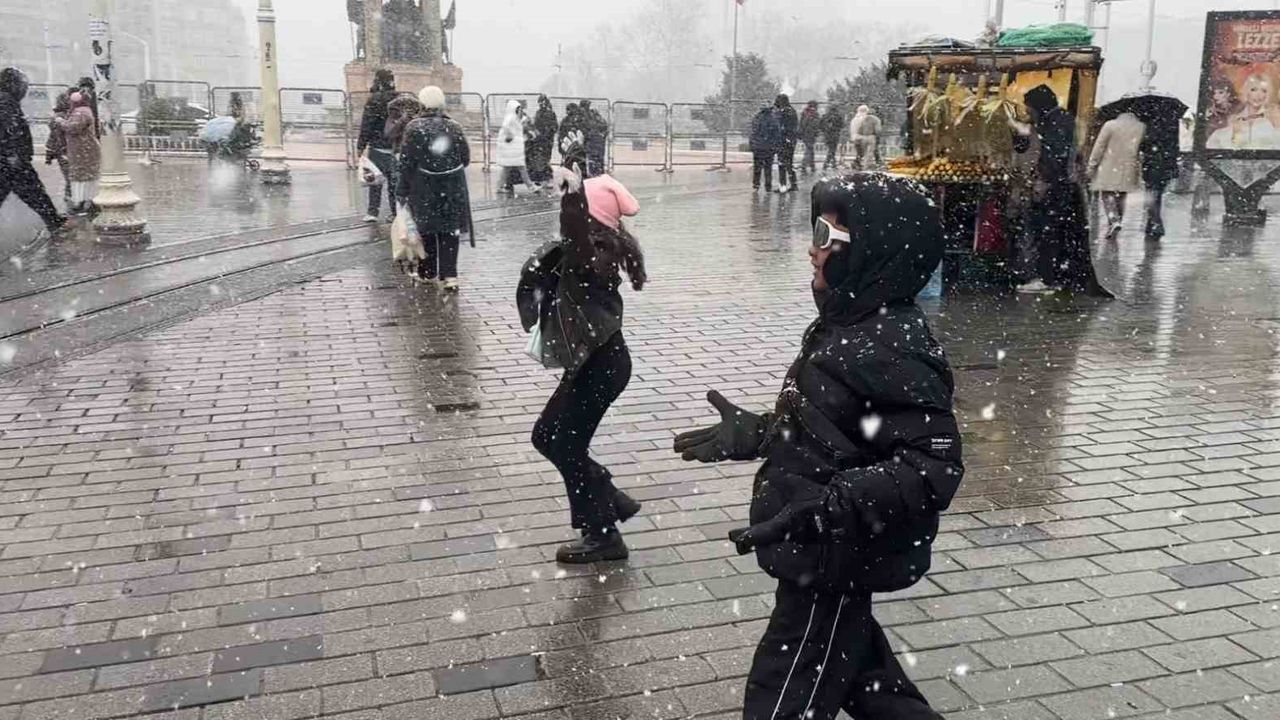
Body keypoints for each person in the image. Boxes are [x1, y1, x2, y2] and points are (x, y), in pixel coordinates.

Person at [673, 174, 963, 720]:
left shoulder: (889, 342)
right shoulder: (848, 325)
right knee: (869, 683)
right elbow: (833, 429)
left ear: (872, 254)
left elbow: (934, 464)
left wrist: (832, 506)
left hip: (832, 555)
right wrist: (762, 434)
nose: (813, 249)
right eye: (816, 229)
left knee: (782, 696)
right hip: (820, 551)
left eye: (826, 235)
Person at [525, 167, 646, 563]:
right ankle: (610, 501)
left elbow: (575, 238)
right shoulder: (596, 247)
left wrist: (573, 199)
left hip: (603, 366)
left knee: (566, 443)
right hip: (595, 363)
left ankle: (603, 535)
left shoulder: (594, 252)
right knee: (547, 435)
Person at [1011, 85, 1111, 297]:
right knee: (1059, 235)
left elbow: (1055, 157)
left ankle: (1048, 279)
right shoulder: (1061, 119)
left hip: (1058, 188)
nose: (1029, 112)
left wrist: (1045, 182)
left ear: (1039, 106)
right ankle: (1059, 276)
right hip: (1065, 188)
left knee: (1050, 233)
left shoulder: (1055, 123)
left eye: (1030, 108)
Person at [397, 85, 472, 292]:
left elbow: (406, 162)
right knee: (450, 231)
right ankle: (450, 276)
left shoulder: (414, 128)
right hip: (452, 188)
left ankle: (428, 272)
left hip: (424, 189)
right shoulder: (454, 127)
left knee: (427, 230)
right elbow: (465, 159)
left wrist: (402, 189)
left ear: (422, 104)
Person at [0, 68, 67, 234]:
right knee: (35, 192)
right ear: (13, 85)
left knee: (34, 192)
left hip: (9, 161)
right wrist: (12, 154)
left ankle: (54, 221)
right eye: (23, 85)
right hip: (12, 162)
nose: (25, 89)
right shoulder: (5, 102)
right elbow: (11, 129)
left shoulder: (6, 100)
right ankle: (54, 221)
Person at [1087, 111, 1145, 240]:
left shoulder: (1110, 125)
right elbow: (1141, 149)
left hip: (1109, 165)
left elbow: (1099, 146)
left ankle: (1113, 219)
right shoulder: (1141, 127)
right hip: (1129, 167)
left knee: (1107, 194)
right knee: (1122, 196)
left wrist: (1092, 165)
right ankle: (1116, 222)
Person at [357, 69, 398, 222]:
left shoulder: (373, 100)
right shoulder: (399, 99)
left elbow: (366, 125)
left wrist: (360, 146)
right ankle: (395, 212)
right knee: (394, 183)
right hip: (394, 148)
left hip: (377, 147)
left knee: (375, 180)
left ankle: (373, 212)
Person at [1207, 73, 1280, 151]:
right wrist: (1236, 134)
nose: (1259, 95)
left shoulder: (1273, 117)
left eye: (1264, 91)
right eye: (1253, 90)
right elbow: (1228, 149)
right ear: (1246, 92)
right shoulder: (1235, 119)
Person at [56, 91, 101, 216]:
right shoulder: (85, 110)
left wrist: (60, 121)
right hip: (83, 150)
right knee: (86, 177)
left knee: (81, 177)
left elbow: (73, 127)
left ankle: (84, 203)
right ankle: (88, 203)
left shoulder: (80, 112)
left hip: (83, 151)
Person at [496, 99, 536, 195]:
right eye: (518, 109)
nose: (520, 111)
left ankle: (499, 186)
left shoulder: (513, 118)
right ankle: (531, 187)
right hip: (512, 149)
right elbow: (506, 128)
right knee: (521, 168)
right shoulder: (511, 118)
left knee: (507, 168)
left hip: (513, 149)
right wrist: (511, 135)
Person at [45, 91, 72, 206]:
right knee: (72, 178)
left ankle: (71, 199)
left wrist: (49, 152)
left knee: (70, 177)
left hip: (62, 152)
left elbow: (52, 138)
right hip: (67, 152)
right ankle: (72, 200)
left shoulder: (57, 117)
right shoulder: (64, 118)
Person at [749, 104, 782, 192]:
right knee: (768, 167)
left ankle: (756, 184)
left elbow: (753, 133)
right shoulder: (773, 120)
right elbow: (777, 135)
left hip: (758, 147)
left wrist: (752, 145)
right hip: (769, 147)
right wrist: (776, 146)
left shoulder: (757, 118)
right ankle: (768, 185)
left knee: (757, 167)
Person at [528, 95, 558, 184]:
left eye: (542, 102)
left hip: (545, 140)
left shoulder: (547, 113)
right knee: (542, 159)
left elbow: (554, 127)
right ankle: (544, 177)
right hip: (542, 140)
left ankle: (545, 177)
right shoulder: (541, 113)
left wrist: (545, 134)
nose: (541, 104)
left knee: (543, 159)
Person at [774, 94, 799, 192]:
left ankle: (784, 185)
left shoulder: (787, 112)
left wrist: (785, 137)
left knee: (783, 163)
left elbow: (786, 127)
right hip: (787, 141)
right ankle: (791, 184)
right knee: (787, 163)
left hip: (785, 141)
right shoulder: (790, 111)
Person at [849, 105, 882, 170]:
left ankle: (857, 163)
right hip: (869, 137)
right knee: (869, 153)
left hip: (857, 137)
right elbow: (877, 130)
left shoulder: (855, 119)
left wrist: (854, 137)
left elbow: (852, 129)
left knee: (860, 153)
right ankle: (866, 166)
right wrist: (877, 136)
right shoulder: (874, 119)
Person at [581, 99, 608, 178]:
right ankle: (600, 176)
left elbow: (585, 130)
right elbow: (605, 128)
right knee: (599, 162)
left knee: (592, 162)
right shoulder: (598, 117)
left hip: (592, 143)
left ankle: (594, 177)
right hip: (599, 143)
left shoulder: (585, 116)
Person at [820, 104, 845, 170]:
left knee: (831, 150)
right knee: (832, 150)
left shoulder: (825, 116)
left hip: (827, 135)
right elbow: (842, 125)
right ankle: (826, 164)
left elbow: (820, 125)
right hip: (835, 135)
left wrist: (825, 131)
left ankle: (833, 164)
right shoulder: (838, 116)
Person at [798, 100, 820, 174]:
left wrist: (801, 133)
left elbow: (801, 124)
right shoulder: (814, 114)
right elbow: (815, 125)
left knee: (810, 150)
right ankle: (804, 166)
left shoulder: (804, 113)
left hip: (805, 134)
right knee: (809, 151)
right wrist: (816, 132)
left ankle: (812, 166)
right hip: (810, 134)